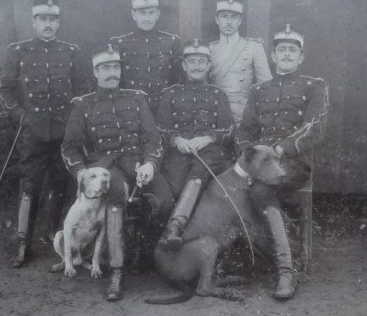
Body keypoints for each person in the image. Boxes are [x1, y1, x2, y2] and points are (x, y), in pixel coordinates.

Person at [61, 44, 173, 301]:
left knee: (165, 199)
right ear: (95, 72)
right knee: (114, 201)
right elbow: (70, 147)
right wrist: (81, 173)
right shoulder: (83, 105)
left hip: (137, 164)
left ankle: (146, 257)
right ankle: (117, 271)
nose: (112, 73)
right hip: (106, 167)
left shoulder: (137, 98)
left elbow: (153, 139)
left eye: (116, 67)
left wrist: (149, 164)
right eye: (106, 68)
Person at [235, 24, 328, 299]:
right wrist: (249, 155)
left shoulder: (314, 86)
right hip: (258, 161)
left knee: (261, 191)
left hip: (292, 161)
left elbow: (316, 126)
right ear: (273, 56)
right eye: (281, 50)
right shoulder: (259, 89)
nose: (287, 54)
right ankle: (250, 257)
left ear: (301, 57)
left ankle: (287, 270)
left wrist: (280, 148)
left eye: (292, 50)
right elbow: (245, 130)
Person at [0, 0, 90, 268]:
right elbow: (5, 90)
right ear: (34, 22)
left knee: (60, 182)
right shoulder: (18, 51)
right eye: (42, 19)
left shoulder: (71, 51)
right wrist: (22, 116)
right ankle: (22, 241)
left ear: (58, 22)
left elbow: (82, 89)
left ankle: (51, 232)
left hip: (63, 131)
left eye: (52, 20)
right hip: (33, 132)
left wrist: (74, 120)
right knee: (30, 184)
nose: (48, 24)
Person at [155, 39, 235, 250]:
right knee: (175, 185)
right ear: (184, 65)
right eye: (192, 62)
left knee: (199, 173)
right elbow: (161, 128)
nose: (197, 66)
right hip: (178, 151)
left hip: (209, 152)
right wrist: (177, 140)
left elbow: (228, 129)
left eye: (202, 61)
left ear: (209, 65)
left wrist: (208, 138)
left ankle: (176, 229)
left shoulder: (218, 94)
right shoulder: (170, 93)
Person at [110, 0, 182, 114]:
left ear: (157, 14)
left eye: (151, 13)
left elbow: (177, 81)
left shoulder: (172, 42)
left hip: (164, 110)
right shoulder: (120, 43)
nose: (147, 18)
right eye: (142, 13)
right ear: (134, 15)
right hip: (130, 110)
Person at [208, 0, 272, 123]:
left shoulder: (254, 47)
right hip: (214, 112)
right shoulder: (208, 49)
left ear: (240, 20)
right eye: (224, 16)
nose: (229, 22)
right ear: (216, 19)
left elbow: (266, 87)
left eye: (234, 17)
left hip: (243, 114)